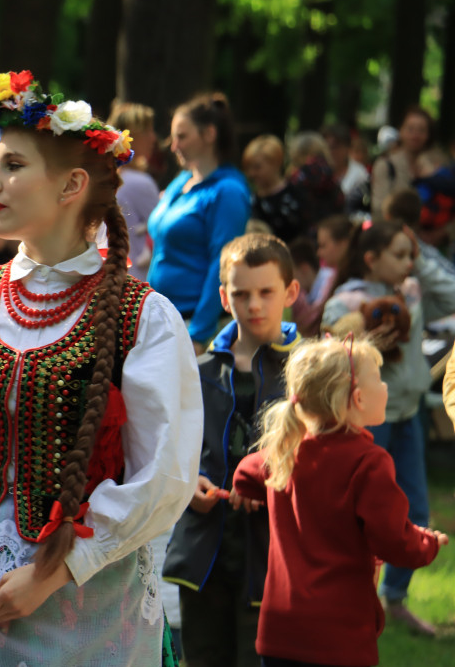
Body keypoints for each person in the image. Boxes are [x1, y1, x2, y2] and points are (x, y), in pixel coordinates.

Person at [0, 70, 202, 666]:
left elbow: (164, 473)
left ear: (71, 185)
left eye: (12, 165)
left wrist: (57, 572)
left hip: (84, 600)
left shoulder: (144, 317)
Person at [233, 337, 448, 666]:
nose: (386, 386)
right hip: (339, 639)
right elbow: (393, 541)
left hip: (280, 633)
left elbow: (246, 472)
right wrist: (427, 543)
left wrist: (246, 491)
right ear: (358, 399)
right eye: (379, 378)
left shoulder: (286, 452)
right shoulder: (369, 463)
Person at [163, 234, 300, 667]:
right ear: (224, 297)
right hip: (205, 550)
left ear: (290, 293)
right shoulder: (195, 371)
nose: (254, 304)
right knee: (203, 657)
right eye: (241, 294)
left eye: (266, 292)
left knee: (260, 658)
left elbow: (326, 457)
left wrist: (273, 481)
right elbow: (165, 448)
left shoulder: (309, 371)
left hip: (276, 550)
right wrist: (187, 484)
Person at [321, 220, 455, 636]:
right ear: (371, 258)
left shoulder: (413, 292)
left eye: (409, 254)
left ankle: (394, 599)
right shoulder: (345, 300)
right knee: (354, 513)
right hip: (366, 423)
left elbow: (451, 295)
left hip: (409, 415)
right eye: (399, 254)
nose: (407, 263)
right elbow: (332, 349)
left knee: (414, 509)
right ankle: (351, 595)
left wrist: (421, 259)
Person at [148, 93, 250, 353]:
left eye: (182, 136)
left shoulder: (228, 191)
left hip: (192, 323)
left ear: (209, 134)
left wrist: (199, 334)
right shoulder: (181, 182)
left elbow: (222, 263)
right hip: (161, 317)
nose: (173, 146)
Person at [93, 101, 161, 280]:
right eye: (147, 131)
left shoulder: (103, 179)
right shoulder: (140, 183)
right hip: (138, 281)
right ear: (131, 136)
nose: (153, 138)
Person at [243, 135, 309, 244]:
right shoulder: (251, 199)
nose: (252, 173)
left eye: (257, 167)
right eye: (248, 168)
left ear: (275, 163)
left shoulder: (296, 195)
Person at [371, 107, 434, 218]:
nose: (415, 135)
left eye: (421, 130)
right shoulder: (385, 165)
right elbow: (378, 209)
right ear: (400, 131)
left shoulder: (436, 168)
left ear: (428, 135)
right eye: (410, 129)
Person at [287, 132, 345, 228]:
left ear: (297, 153)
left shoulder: (298, 176)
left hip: (305, 233)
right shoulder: (329, 172)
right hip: (332, 231)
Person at [322, 123, 370, 213]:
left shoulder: (360, 173)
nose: (331, 151)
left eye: (335, 147)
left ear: (347, 147)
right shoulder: (317, 171)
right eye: (326, 146)